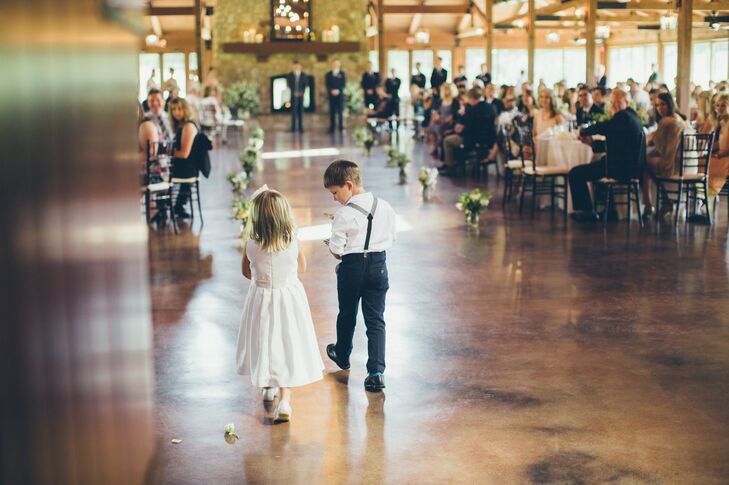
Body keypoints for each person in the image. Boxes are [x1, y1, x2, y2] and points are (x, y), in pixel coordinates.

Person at [236, 187, 324, 422]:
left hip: (261, 298)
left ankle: (267, 386)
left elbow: (246, 272)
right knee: (287, 343)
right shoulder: (292, 241)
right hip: (288, 299)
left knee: (264, 341)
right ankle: (285, 401)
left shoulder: (252, 245)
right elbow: (302, 268)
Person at [323, 160, 397, 392]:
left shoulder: (343, 214)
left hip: (352, 268)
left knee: (347, 314)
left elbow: (336, 250)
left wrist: (336, 248)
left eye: (335, 193)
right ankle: (376, 373)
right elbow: (391, 237)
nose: (334, 198)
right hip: (379, 266)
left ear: (348, 185)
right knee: (376, 319)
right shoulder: (384, 206)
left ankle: (343, 355)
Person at [570, 89, 645, 222]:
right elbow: (615, 143)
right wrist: (591, 143)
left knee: (576, 173)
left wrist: (583, 131)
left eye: (618, 101)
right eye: (612, 102)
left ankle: (587, 212)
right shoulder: (632, 117)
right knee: (590, 168)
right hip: (628, 167)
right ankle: (606, 210)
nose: (614, 105)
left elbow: (602, 127)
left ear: (626, 102)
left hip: (618, 169)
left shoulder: (623, 117)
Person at [642, 92, 689, 217]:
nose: (660, 108)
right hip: (686, 162)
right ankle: (663, 201)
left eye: (663, 104)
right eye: (657, 105)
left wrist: (648, 140)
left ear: (670, 104)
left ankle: (651, 205)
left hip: (673, 162)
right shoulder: (680, 117)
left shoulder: (666, 121)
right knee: (646, 168)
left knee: (642, 163)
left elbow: (658, 146)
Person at [441, 87, 499, 174]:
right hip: (489, 140)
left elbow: (469, 129)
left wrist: (459, 130)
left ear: (471, 98)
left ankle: (450, 166)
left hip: (472, 140)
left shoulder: (472, 110)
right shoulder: (492, 108)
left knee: (447, 140)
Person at [168, 98, 199, 218]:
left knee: (159, 175)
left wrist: (167, 153)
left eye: (180, 109)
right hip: (184, 166)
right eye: (174, 109)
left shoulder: (188, 126)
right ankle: (171, 206)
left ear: (186, 109)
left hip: (188, 168)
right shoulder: (182, 126)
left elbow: (184, 154)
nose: (176, 112)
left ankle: (165, 205)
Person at [286, 60, 308, 133]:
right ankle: (293, 128)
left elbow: (305, 85)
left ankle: (300, 127)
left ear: (300, 67)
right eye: (295, 66)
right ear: (293, 67)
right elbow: (289, 85)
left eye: (298, 66)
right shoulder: (290, 76)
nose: (296, 67)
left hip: (301, 97)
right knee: (293, 112)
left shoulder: (304, 75)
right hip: (293, 96)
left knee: (301, 112)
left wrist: (301, 92)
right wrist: (293, 92)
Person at [325, 59, 346, 133]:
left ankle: (341, 127)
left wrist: (338, 90)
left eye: (337, 64)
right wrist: (331, 90)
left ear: (339, 64)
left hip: (339, 95)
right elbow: (327, 84)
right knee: (332, 112)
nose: (336, 65)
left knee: (340, 111)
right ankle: (332, 127)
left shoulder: (342, 74)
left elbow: (343, 84)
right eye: (334, 64)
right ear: (332, 64)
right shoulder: (328, 74)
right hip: (331, 95)